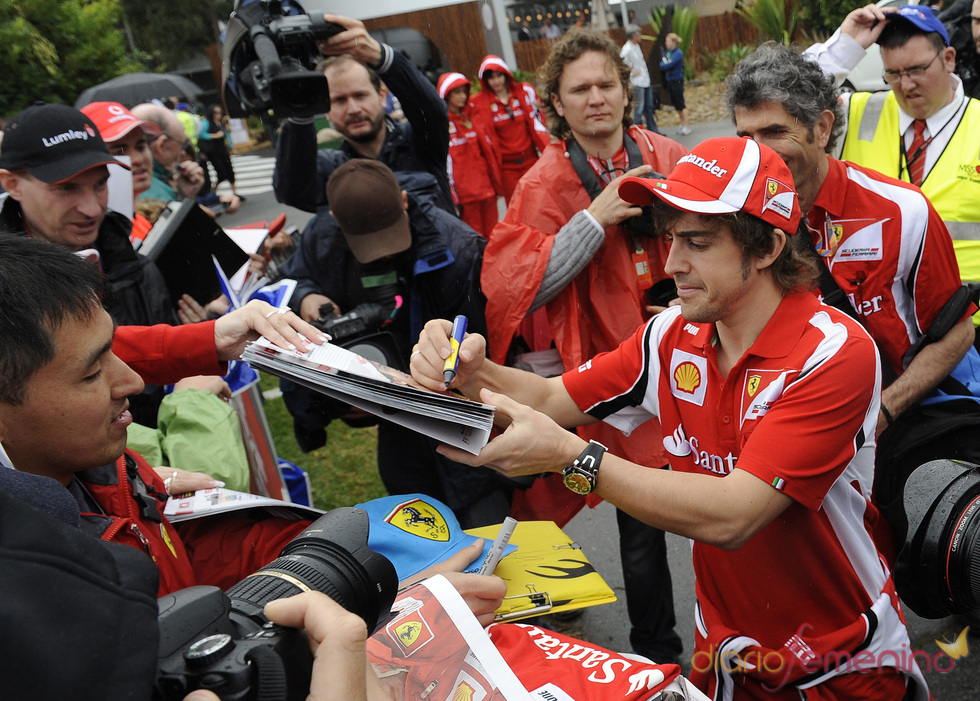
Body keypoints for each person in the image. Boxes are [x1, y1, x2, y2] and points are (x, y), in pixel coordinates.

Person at [412, 136, 930, 701]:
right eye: (671, 238)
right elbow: (546, 400)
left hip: (841, 661)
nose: (672, 263)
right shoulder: (669, 334)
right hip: (725, 654)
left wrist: (573, 459)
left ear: (768, 247)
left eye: (698, 243)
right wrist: (471, 371)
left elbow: (733, 517)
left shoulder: (834, 352)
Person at [481, 28, 687, 665]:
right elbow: (522, 289)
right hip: (609, 377)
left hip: (691, 356)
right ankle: (658, 654)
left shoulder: (670, 154)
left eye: (606, 84)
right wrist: (593, 219)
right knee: (640, 518)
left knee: (729, 500)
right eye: (580, 89)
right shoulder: (542, 186)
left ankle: (749, 632)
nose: (596, 98)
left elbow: (726, 242)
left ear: (627, 93)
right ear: (558, 107)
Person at [727, 42, 976, 442]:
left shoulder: (901, 210)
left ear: (822, 128)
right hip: (795, 428)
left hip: (902, 419)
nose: (758, 152)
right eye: (746, 136)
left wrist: (881, 416)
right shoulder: (734, 218)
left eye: (774, 131)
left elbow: (958, 334)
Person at [277, 160, 511, 529]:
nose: (384, 253)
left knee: (483, 521)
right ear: (337, 219)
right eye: (370, 245)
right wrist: (306, 296)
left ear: (404, 201)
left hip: (456, 408)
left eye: (390, 237)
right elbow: (291, 279)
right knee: (414, 524)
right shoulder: (322, 237)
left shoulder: (456, 247)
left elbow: (486, 348)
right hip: (394, 414)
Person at [0, 102, 179, 425]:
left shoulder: (136, 267)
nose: (92, 208)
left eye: (100, 184)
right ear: (12, 184)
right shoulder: (6, 294)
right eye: (66, 188)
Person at [805, 4, 980, 299]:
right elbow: (780, 98)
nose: (906, 85)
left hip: (965, 311)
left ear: (949, 59)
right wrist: (845, 48)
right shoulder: (859, 111)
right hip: (874, 311)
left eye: (917, 69)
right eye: (893, 74)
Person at [273, 13, 453, 214]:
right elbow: (292, 190)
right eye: (339, 100)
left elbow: (432, 112)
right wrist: (302, 106)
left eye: (360, 95)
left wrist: (382, 56)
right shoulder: (332, 170)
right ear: (326, 111)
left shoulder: (420, 143)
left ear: (382, 96)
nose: (353, 109)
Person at [467, 54, 551, 202]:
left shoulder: (524, 92)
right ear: (486, 80)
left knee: (541, 204)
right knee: (517, 211)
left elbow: (542, 119)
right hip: (507, 169)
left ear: (506, 75)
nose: (496, 81)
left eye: (499, 75)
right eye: (491, 77)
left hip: (531, 161)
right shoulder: (478, 103)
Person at [437, 71, 503, 238]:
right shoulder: (441, 124)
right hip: (466, 197)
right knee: (474, 239)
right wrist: (453, 198)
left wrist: (496, 184)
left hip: (487, 190)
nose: (463, 96)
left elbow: (487, 153)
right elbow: (444, 165)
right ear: (446, 95)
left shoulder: (471, 117)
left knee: (494, 236)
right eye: (457, 92)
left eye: (464, 91)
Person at [130, 102, 206, 203]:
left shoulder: (131, 181)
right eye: (182, 144)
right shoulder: (152, 192)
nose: (183, 152)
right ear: (160, 145)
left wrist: (185, 195)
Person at [621, 24, 659, 133]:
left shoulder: (636, 46)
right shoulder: (627, 49)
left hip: (645, 80)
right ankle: (638, 132)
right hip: (637, 82)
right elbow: (622, 64)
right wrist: (632, 73)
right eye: (638, 34)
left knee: (649, 107)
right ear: (633, 35)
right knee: (639, 108)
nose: (640, 36)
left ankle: (653, 131)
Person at [198, 103, 241, 199]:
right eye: (216, 113)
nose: (218, 115)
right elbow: (201, 134)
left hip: (223, 150)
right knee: (221, 173)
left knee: (230, 171)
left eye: (219, 112)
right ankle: (213, 190)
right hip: (213, 152)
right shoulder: (207, 123)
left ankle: (235, 193)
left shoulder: (221, 123)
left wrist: (231, 147)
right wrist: (213, 136)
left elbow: (226, 136)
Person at [660, 33, 691, 135]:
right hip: (670, 81)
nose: (666, 43)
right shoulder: (668, 52)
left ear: (673, 42)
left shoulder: (678, 53)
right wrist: (665, 64)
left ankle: (686, 125)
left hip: (676, 80)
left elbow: (668, 65)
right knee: (676, 104)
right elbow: (662, 64)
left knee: (681, 103)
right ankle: (682, 123)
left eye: (668, 40)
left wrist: (665, 64)